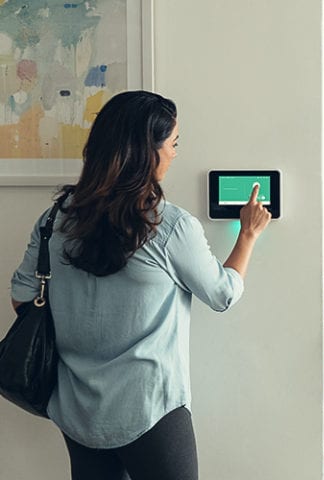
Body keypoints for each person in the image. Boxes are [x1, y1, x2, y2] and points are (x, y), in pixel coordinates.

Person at [10, 90, 271, 480]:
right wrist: (247, 235)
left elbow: (22, 298)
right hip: (153, 407)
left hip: (76, 407)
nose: (176, 154)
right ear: (147, 151)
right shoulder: (170, 226)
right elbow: (223, 293)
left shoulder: (54, 221)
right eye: (174, 143)